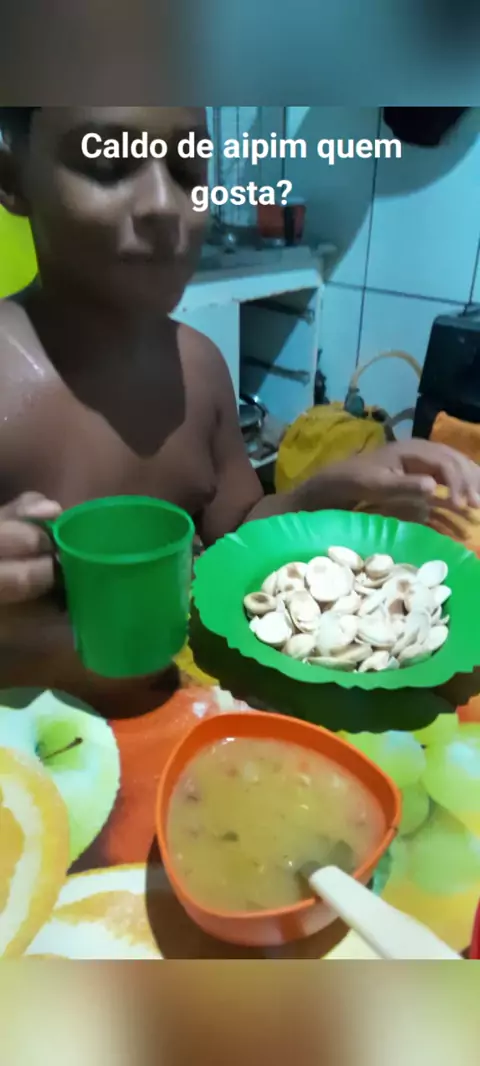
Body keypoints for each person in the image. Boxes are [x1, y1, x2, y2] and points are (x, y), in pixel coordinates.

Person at [0, 106, 479, 709]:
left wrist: (328, 488)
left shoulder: (199, 370)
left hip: (187, 723)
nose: (163, 204)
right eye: (109, 164)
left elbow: (235, 538)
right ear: (11, 178)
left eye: (187, 170)